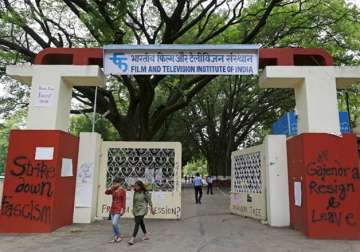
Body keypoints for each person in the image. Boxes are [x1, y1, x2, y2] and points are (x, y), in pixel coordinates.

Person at [128, 180, 155, 245]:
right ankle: (146, 235)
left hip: (142, 209)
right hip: (136, 209)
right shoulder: (135, 192)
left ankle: (132, 239)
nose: (136, 187)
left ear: (140, 186)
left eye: (137, 186)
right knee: (141, 222)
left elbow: (149, 201)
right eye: (135, 186)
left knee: (137, 223)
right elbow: (134, 201)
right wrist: (133, 209)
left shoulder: (145, 192)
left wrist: (152, 208)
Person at [105, 177, 126, 243]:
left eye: (115, 183)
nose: (114, 184)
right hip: (113, 208)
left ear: (119, 183)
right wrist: (110, 187)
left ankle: (119, 236)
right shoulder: (113, 189)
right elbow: (106, 192)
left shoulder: (122, 190)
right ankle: (115, 237)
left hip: (119, 208)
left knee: (114, 223)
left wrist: (123, 209)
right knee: (114, 224)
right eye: (113, 183)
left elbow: (123, 200)